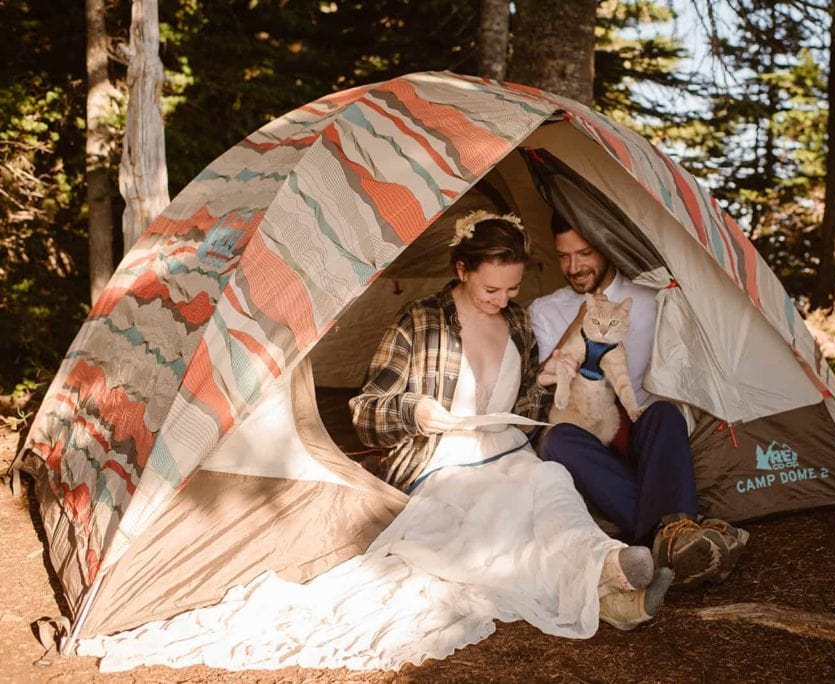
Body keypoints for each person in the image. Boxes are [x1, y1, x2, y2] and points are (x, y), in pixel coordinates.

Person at [75, 212, 672, 673]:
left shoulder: (517, 324)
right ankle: (607, 583)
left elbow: (522, 411)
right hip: (442, 462)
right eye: (492, 289)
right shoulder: (419, 322)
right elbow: (365, 414)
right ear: (463, 271)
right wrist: (417, 409)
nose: (503, 301)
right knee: (511, 506)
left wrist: (546, 384)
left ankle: (608, 574)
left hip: (505, 451)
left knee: (550, 478)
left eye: (511, 290)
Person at [529, 215, 749, 586]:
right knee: (557, 440)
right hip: (586, 429)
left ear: (606, 244)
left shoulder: (651, 296)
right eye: (564, 256)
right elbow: (546, 381)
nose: (574, 267)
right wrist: (584, 317)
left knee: (665, 414)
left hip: (638, 427)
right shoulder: (546, 309)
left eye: (584, 253)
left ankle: (659, 539)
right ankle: (678, 536)